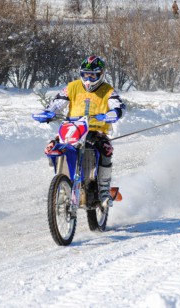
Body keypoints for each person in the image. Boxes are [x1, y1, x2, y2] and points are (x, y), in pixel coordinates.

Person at [44, 55, 126, 208]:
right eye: (85, 74)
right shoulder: (72, 87)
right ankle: (59, 184)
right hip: (72, 127)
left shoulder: (107, 90)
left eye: (93, 75)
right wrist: (49, 112)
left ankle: (103, 190)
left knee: (106, 150)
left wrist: (113, 113)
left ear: (101, 74)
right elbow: (57, 102)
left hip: (96, 130)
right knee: (51, 147)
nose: (88, 78)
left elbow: (118, 105)